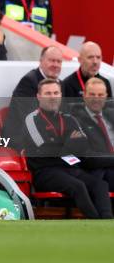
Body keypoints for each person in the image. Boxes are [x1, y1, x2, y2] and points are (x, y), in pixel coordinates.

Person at [25, 78, 113, 219]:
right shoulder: (32, 119)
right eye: (48, 93)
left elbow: (83, 146)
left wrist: (62, 144)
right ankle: (97, 222)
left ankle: (108, 221)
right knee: (78, 186)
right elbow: (46, 149)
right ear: (39, 96)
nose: (53, 97)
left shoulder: (69, 118)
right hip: (45, 171)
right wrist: (69, 143)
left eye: (56, 93)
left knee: (100, 185)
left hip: (70, 167)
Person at [2, 46, 64, 148]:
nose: (56, 65)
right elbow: (30, 119)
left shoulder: (60, 84)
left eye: (59, 62)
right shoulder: (29, 81)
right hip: (22, 138)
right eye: (52, 60)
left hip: (49, 135)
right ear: (41, 61)